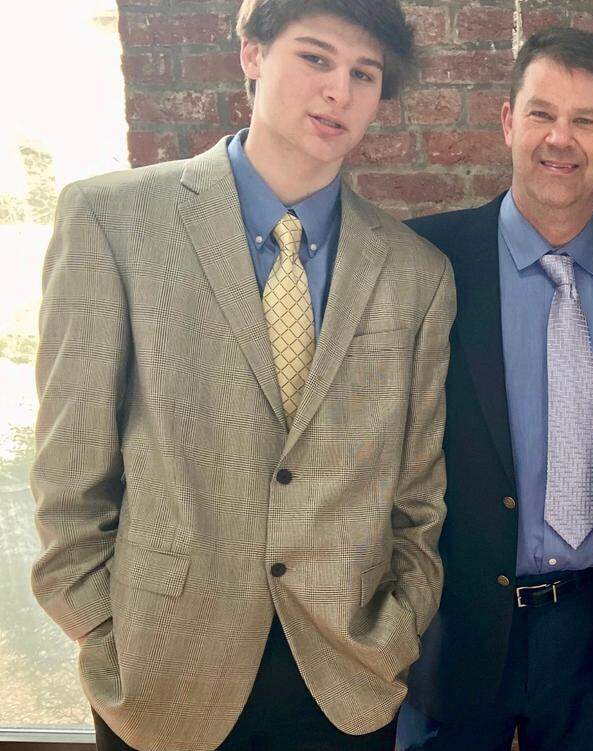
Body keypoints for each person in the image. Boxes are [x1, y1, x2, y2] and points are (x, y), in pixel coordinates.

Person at [29, 1, 454, 749]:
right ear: (252, 55)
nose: (338, 92)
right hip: (162, 675)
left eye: (364, 74)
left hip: (343, 677)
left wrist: (397, 628)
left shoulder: (416, 273)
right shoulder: (113, 220)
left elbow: (417, 497)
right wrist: (106, 630)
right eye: (315, 59)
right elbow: (69, 477)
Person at [395, 27, 593, 751]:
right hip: (452, 625)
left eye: (586, 120)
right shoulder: (423, 260)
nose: (562, 138)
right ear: (506, 121)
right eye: (542, 113)